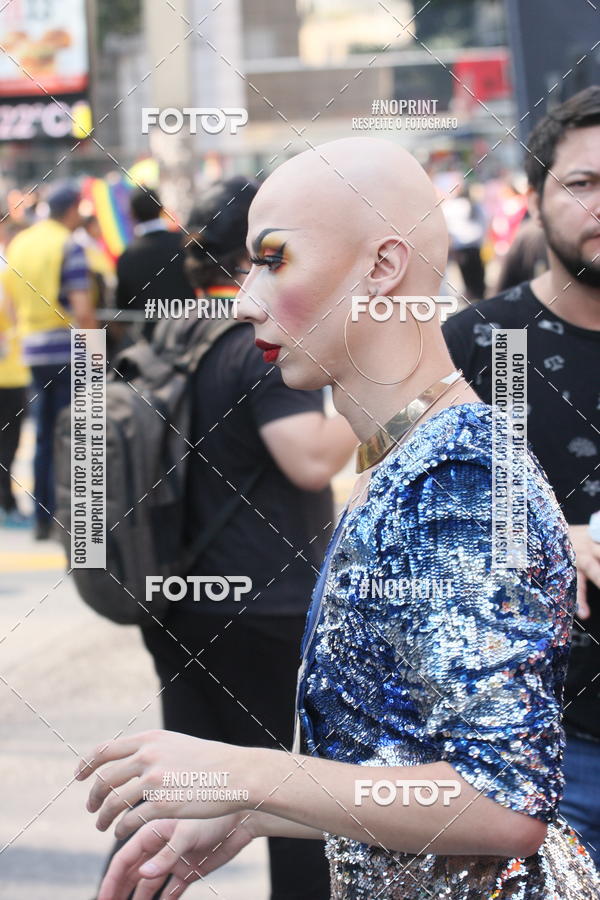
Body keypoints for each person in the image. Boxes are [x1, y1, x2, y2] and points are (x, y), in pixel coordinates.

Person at [76, 138, 599, 899]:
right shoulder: (410, 454)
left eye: (275, 259)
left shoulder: (460, 474)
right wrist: (255, 809)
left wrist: (249, 774)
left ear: (382, 267)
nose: (248, 297)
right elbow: (404, 750)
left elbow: (501, 803)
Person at [99, 175, 357, 900]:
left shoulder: (175, 330)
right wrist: (384, 404)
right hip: (267, 603)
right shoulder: (264, 341)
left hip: (178, 596)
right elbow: (309, 459)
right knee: (299, 802)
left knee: (174, 793)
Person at [443, 86, 600, 866]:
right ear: (535, 198)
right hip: (538, 754)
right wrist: (544, 530)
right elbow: (392, 532)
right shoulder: (478, 343)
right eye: (582, 183)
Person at [4, 182, 95, 539]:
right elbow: (84, 311)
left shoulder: (21, 243)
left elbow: (10, 304)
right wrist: (96, 353)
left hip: (31, 350)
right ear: (72, 210)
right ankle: (73, 520)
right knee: (77, 434)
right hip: (67, 351)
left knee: (44, 434)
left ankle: (43, 516)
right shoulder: (68, 245)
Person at [115, 188, 194, 342]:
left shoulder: (127, 257)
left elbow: (123, 309)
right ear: (161, 209)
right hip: (189, 335)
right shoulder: (185, 244)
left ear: (132, 214)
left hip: (150, 342)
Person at [0, 217, 30, 527]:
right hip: (9, 372)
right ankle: (5, 501)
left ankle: (6, 500)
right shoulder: (6, 270)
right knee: (9, 441)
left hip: (12, 370)